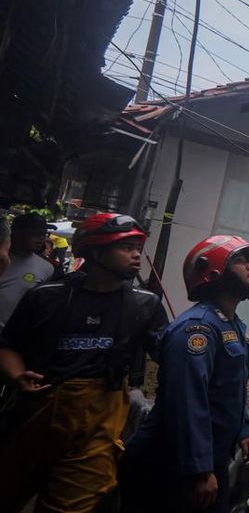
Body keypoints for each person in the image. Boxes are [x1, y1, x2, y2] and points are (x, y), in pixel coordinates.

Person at [0, 213, 168, 513]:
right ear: (95, 251)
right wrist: (16, 375)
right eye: (126, 247)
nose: (136, 256)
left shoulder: (145, 305)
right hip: (34, 414)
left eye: (138, 248)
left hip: (98, 425)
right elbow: (8, 345)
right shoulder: (46, 297)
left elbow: (169, 353)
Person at [122, 235, 249, 513]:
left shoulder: (230, 325)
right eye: (240, 260)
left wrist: (243, 429)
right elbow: (186, 401)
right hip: (170, 465)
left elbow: (232, 387)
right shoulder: (197, 330)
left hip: (208, 459)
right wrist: (198, 470)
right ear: (214, 272)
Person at [0, 214, 56, 329]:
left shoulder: (47, 268)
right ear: (16, 233)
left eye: (43, 234)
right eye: (35, 234)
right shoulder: (2, 257)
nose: (41, 238)